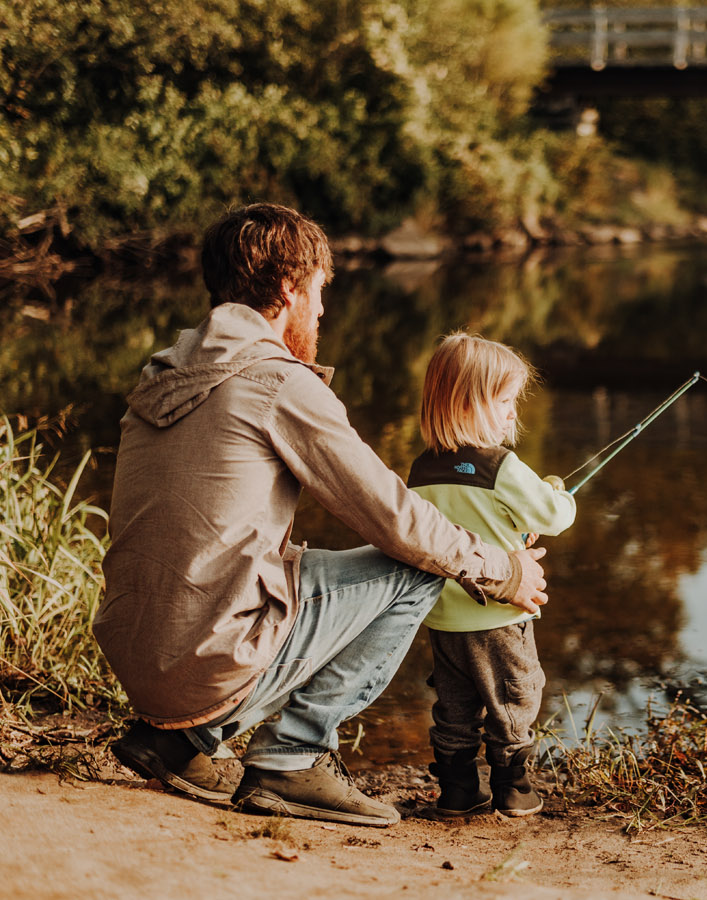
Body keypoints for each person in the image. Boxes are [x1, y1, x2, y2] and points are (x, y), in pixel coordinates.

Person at [94, 203, 548, 828]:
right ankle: (293, 756)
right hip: (204, 661)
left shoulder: (165, 372)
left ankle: (177, 741)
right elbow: (398, 522)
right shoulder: (277, 383)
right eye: (319, 292)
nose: (324, 311)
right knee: (421, 565)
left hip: (137, 655)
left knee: (297, 558)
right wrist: (502, 570)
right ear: (288, 291)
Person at [407, 333, 576, 817]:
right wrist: (558, 490)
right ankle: (513, 787)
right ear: (470, 404)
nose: (511, 413)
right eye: (504, 401)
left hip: (442, 618)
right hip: (500, 616)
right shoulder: (500, 467)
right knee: (515, 696)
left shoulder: (421, 469)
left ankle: (458, 790)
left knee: (455, 705)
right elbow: (554, 517)